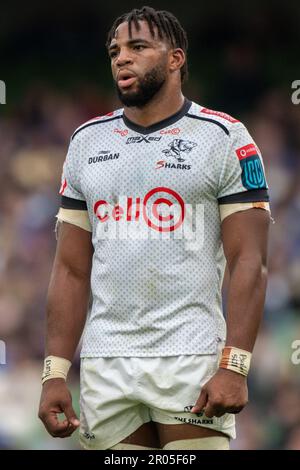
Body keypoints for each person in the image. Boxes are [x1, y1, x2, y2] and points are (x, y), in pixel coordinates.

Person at [38, 6, 270, 450]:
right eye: (114, 51)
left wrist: (235, 366)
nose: (122, 58)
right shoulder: (86, 142)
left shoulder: (224, 137)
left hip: (192, 357)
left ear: (175, 58)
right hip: (106, 362)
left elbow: (250, 261)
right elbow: (69, 269)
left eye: (138, 47)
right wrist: (54, 373)